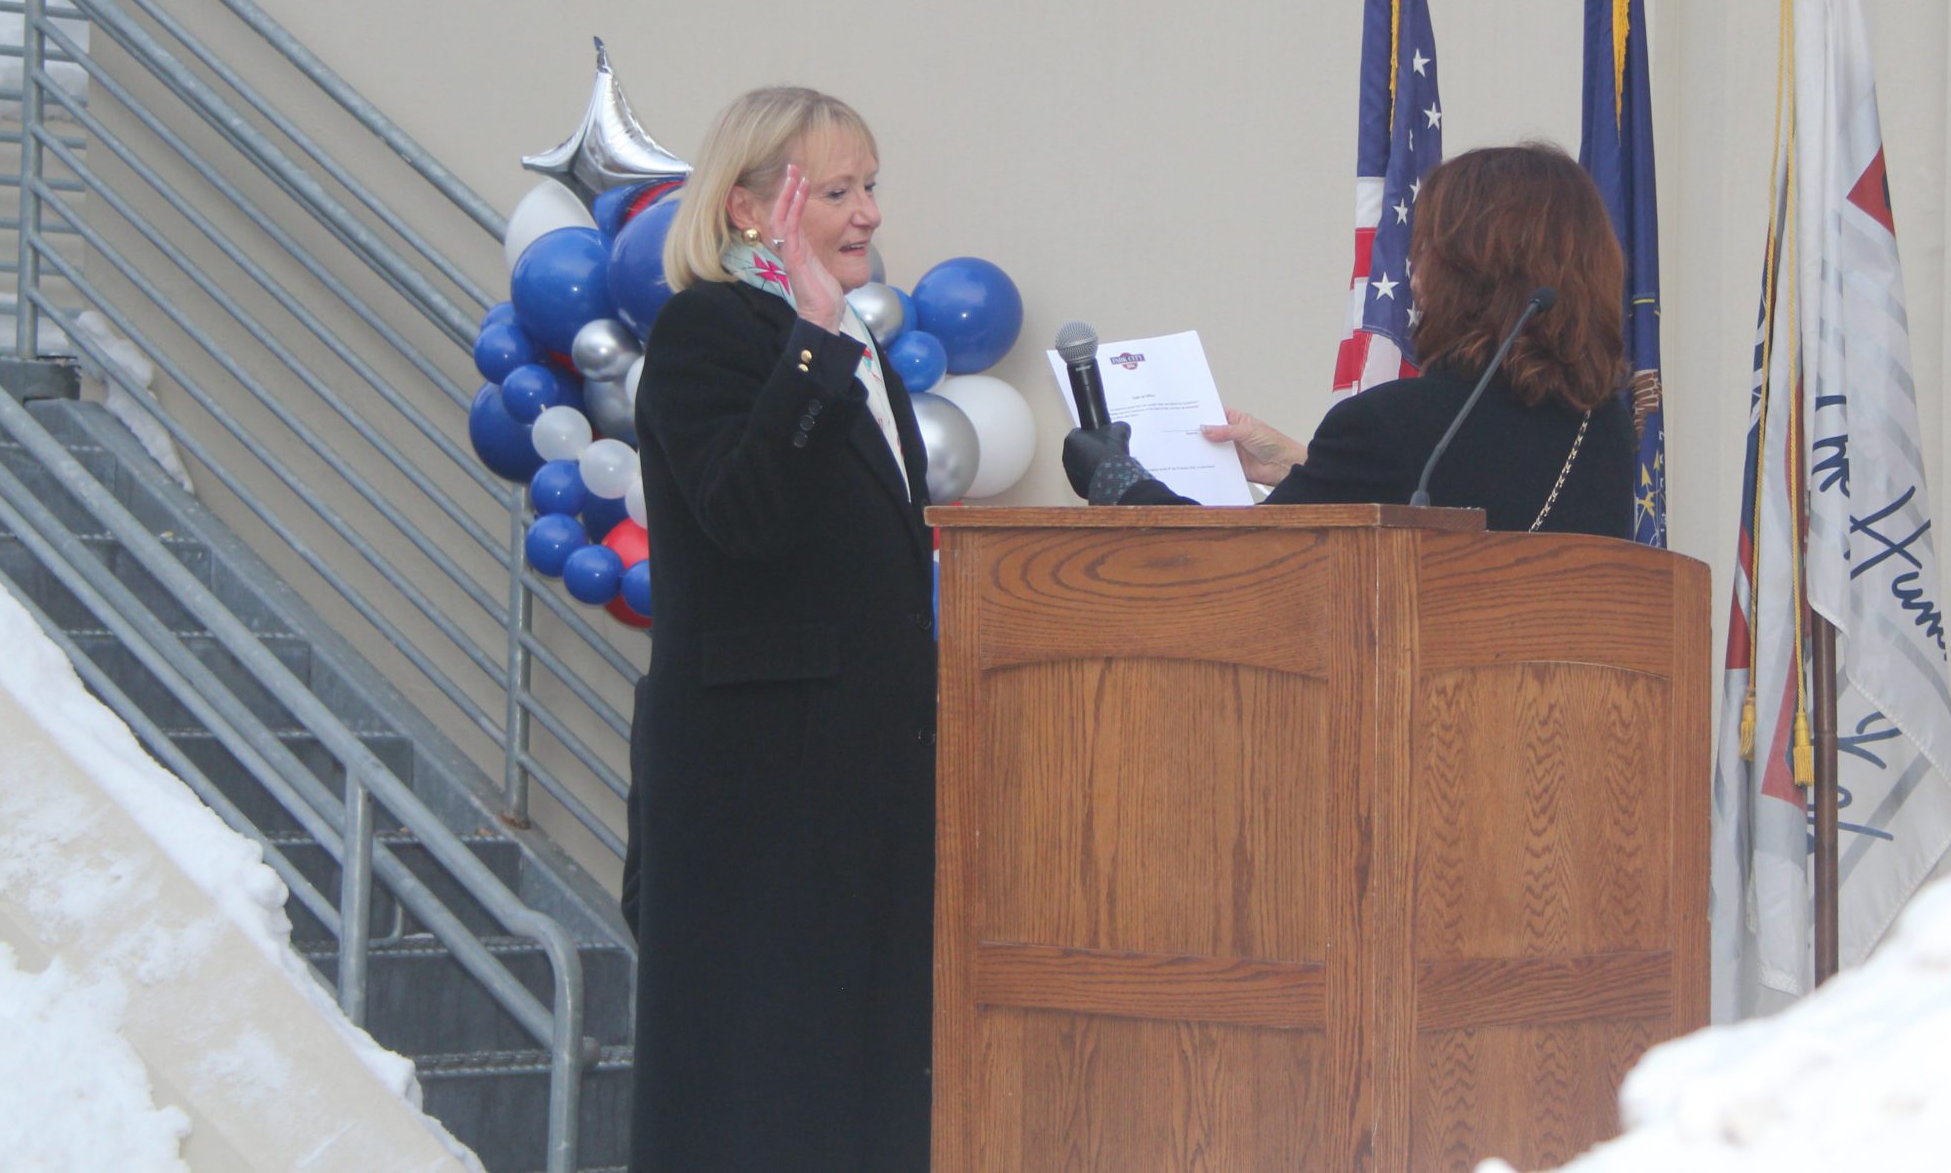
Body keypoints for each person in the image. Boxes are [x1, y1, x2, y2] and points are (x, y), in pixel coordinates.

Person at [626, 86, 934, 1173]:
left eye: (871, 186)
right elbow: (743, 516)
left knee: (866, 1098)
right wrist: (810, 344)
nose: (868, 215)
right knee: (762, 1103)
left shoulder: (849, 343)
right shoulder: (710, 329)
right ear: (751, 209)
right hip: (761, 803)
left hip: (867, 790)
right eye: (837, 191)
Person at [1065, 142, 1637, 536]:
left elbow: (1236, 563)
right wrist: (1298, 464)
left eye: (1424, 247)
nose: (1412, 270)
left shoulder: (1393, 423)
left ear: (1465, 270)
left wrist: (1119, 483)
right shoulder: (1603, 422)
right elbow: (1455, 498)